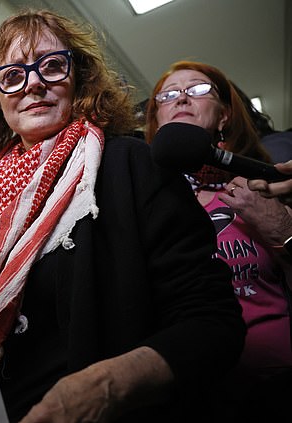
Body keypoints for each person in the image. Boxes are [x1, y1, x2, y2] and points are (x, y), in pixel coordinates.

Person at [0, 10, 245, 423]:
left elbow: (213, 324)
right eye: (13, 75)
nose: (34, 82)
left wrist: (108, 386)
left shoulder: (133, 165)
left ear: (81, 77)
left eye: (52, 66)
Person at [145, 60, 292, 422]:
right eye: (169, 94)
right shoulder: (142, 201)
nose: (182, 99)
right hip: (191, 393)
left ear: (224, 116)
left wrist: (282, 233)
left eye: (197, 90)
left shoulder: (265, 190)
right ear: (157, 120)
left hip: (280, 382)